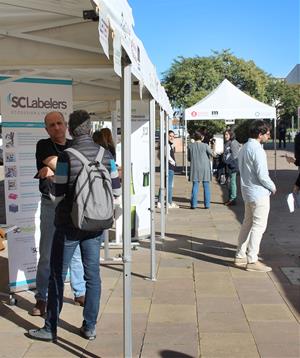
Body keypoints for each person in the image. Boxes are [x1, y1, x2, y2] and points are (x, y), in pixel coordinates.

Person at [28, 110, 121, 342]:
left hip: (68, 225)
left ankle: (51, 328)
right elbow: (116, 191)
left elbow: (58, 195)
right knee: (93, 276)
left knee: (57, 275)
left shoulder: (66, 157)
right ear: (90, 129)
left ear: (70, 129)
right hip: (96, 224)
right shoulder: (106, 154)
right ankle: (89, 326)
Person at [31, 111, 85, 316]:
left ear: (66, 125)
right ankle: (42, 298)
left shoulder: (75, 145)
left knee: (75, 252)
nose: (56, 127)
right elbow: (61, 166)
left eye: (59, 123)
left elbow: (60, 169)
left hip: (72, 204)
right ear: (46, 129)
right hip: (51, 205)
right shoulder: (43, 145)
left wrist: (54, 172)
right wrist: (59, 170)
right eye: (51, 125)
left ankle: (80, 292)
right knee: (47, 253)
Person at [234, 120, 276, 272]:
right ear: (260, 134)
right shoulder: (257, 149)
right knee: (258, 226)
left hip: (247, 191)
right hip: (259, 193)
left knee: (247, 224)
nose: (269, 136)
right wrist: (272, 187)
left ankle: (240, 255)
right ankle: (252, 260)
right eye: (267, 133)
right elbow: (262, 175)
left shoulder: (244, 147)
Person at [188, 128, 213, 209]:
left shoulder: (190, 146)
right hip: (205, 168)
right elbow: (213, 154)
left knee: (195, 185)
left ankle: (194, 205)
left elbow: (189, 158)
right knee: (206, 186)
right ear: (202, 137)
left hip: (195, 167)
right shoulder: (205, 145)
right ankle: (207, 205)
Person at [157, 130, 179, 209]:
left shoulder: (167, 144)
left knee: (163, 184)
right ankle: (169, 202)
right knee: (169, 185)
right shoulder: (166, 145)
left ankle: (159, 202)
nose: (172, 137)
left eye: (173, 136)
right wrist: (172, 161)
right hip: (169, 167)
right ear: (167, 136)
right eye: (170, 136)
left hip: (166, 167)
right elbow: (167, 155)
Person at [223, 129, 241, 206]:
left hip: (232, 166)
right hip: (228, 165)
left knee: (232, 182)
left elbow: (234, 155)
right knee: (229, 182)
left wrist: (226, 160)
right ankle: (231, 198)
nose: (225, 136)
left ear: (231, 134)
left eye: (227, 134)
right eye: (225, 134)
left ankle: (233, 199)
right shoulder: (228, 142)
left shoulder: (234, 143)